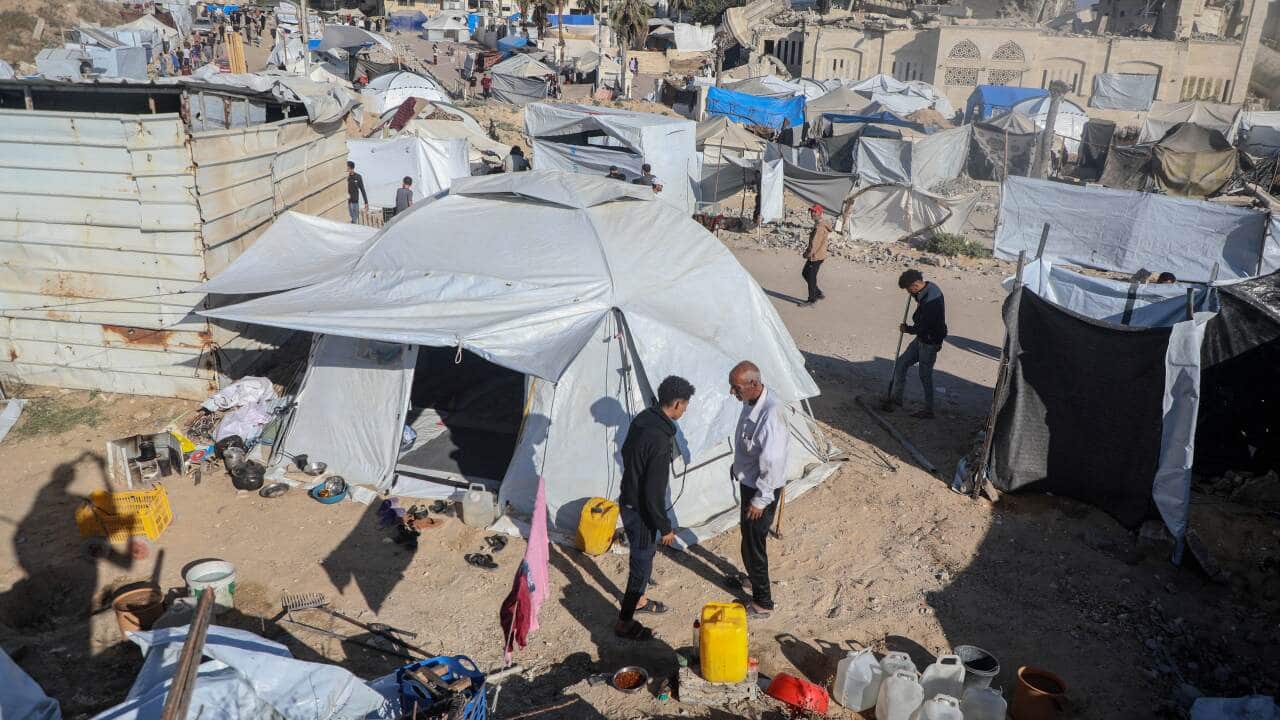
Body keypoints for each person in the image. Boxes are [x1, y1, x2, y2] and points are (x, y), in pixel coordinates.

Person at [615, 375, 696, 641]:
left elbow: (626, 453)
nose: (684, 410)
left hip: (627, 498)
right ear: (675, 404)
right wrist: (665, 527)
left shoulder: (642, 419)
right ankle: (625, 622)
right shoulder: (660, 441)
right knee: (641, 563)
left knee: (642, 559)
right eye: (684, 405)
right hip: (641, 512)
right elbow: (653, 493)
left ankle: (639, 600)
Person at [727, 361, 788, 618]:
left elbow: (773, 463)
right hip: (750, 482)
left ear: (753, 384)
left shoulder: (770, 415)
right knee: (748, 539)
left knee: (754, 545)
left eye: (736, 387)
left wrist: (761, 500)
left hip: (760, 491)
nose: (732, 392)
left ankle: (763, 603)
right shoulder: (751, 402)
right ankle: (753, 579)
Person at [884, 269, 947, 419]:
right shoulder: (926, 288)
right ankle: (896, 400)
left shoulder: (932, 300)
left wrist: (908, 329)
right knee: (901, 364)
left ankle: (928, 410)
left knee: (925, 375)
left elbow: (923, 325)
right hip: (921, 339)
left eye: (908, 289)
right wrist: (914, 295)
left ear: (916, 284)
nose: (908, 293)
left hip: (930, 341)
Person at [800, 204, 830, 306]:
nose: (812, 214)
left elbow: (815, 244)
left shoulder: (820, 227)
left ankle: (812, 299)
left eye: (815, 212)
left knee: (811, 277)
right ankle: (817, 292)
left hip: (815, 256)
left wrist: (807, 253)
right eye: (812, 211)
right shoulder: (819, 224)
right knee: (805, 273)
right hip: (818, 255)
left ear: (820, 213)